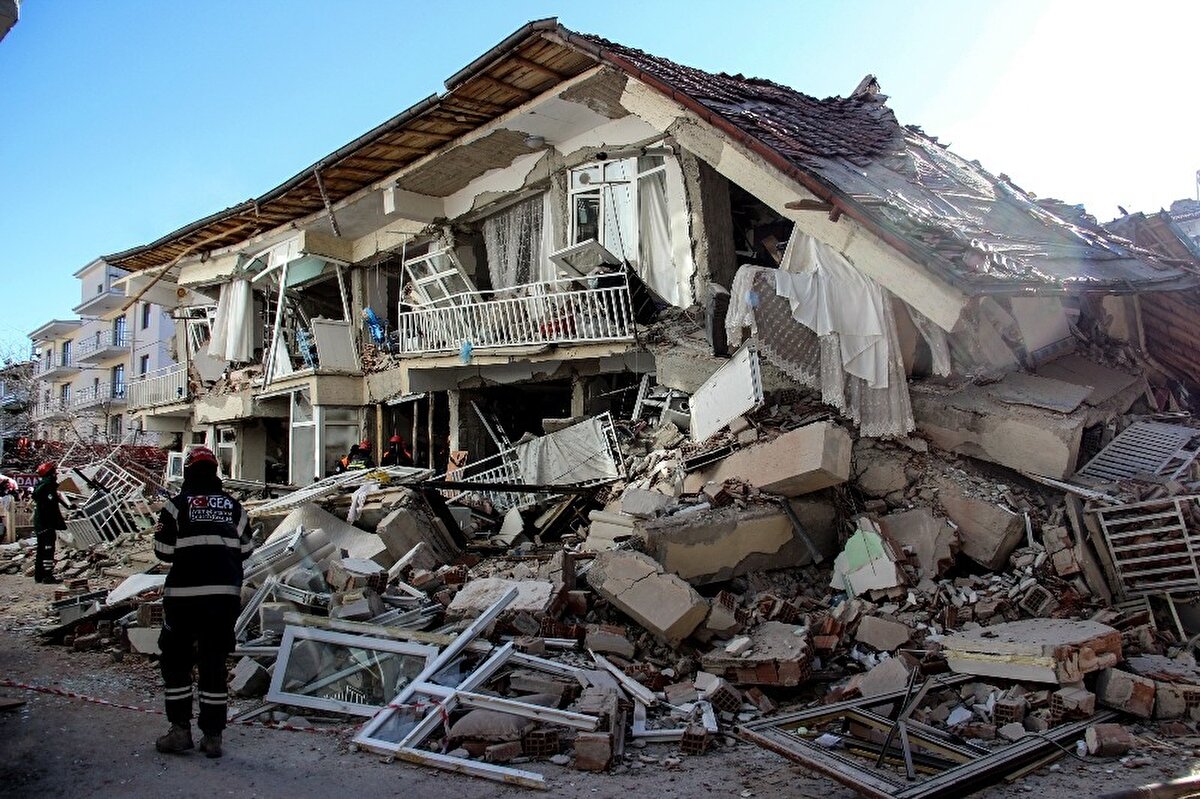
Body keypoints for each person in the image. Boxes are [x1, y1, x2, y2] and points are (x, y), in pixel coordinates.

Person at [153, 446, 252, 759]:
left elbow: (163, 552)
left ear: (187, 473)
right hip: (222, 600)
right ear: (215, 472)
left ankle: (180, 731)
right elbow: (247, 550)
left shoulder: (175, 506)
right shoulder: (235, 508)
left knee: (177, 663)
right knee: (213, 665)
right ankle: (212, 737)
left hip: (184, 599)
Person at [31, 462, 69, 583]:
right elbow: (51, 506)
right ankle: (47, 576)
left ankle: (39, 575)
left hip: (40, 525)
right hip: (46, 525)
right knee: (48, 550)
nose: (56, 474)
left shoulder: (42, 486)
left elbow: (56, 499)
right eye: (54, 472)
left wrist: (68, 506)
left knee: (41, 550)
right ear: (50, 474)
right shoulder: (48, 487)